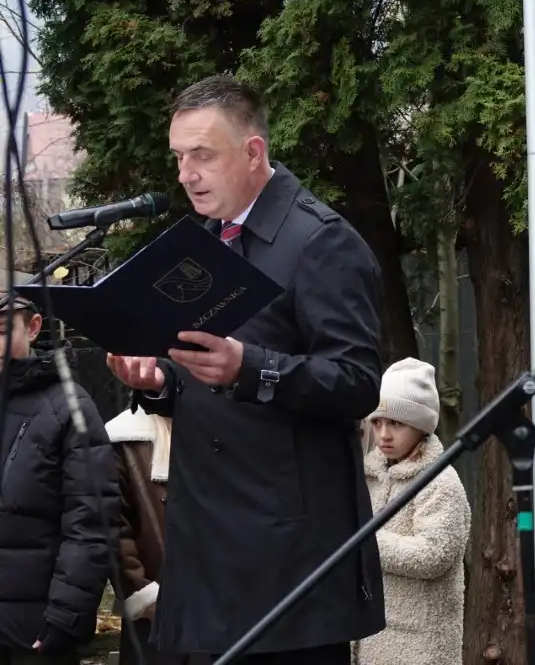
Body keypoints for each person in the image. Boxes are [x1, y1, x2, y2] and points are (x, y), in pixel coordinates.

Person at [105, 74, 385, 664]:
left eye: (202, 155)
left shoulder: (321, 241)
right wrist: (159, 381)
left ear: (253, 152)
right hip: (206, 551)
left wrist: (249, 368)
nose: (186, 174)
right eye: (179, 157)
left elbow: (358, 379)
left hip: (287, 565)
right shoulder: (201, 243)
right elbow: (201, 372)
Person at [0, 296, 118, 665]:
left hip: (27, 630)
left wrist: (66, 614)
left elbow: (92, 520)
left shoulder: (67, 408)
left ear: (33, 327)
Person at [351, 358, 471, 665]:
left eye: (396, 423)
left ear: (420, 425)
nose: (384, 435)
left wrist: (362, 542)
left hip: (421, 644)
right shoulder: (370, 476)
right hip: (372, 639)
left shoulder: (440, 481)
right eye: (377, 423)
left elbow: (433, 554)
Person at [106, 404, 209, 665]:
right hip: (153, 621)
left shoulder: (234, 428)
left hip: (223, 615)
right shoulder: (122, 437)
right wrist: (144, 594)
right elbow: (113, 528)